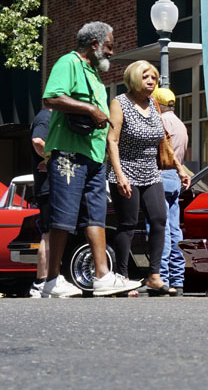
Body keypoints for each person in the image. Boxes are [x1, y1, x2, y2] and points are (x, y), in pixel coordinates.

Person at [41, 22, 141, 298]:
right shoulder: (68, 62)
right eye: (109, 46)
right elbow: (50, 98)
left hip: (95, 157)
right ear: (95, 44)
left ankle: (102, 276)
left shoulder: (95, 75)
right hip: (69, 154)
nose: (111, 51)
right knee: (63, 217)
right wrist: (89, 108)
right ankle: (51, 280)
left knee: (95, 216)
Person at [106, 60, 170, 296]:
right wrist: (120, 174)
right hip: (125, 170)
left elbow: (163, 139)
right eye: (146, 77)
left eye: (154, 77)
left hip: (151, 171)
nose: (151, 81)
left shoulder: (154, 104)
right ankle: (122, 278)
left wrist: (179, 168)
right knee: (127, 223)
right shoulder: (119, 102)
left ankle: (154, 276)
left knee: (159, 219)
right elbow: (112, 140)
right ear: (134, 79)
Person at [150, 87, 191, 296]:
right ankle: (178, 279)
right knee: (174, 230)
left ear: (157, 104)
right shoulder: (181, 125)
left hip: (160, 176)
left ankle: (162, 278)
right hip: (175, 177)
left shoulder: (160, 122)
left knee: (160, 229)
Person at [28, 108, 51, 298]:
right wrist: (51, 159)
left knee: (51, 233)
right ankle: (41, 281)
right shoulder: (45, 116)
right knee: (49, 233)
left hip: (51, 186)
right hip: (48, 187)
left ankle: (47, 280)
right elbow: (37, 141)